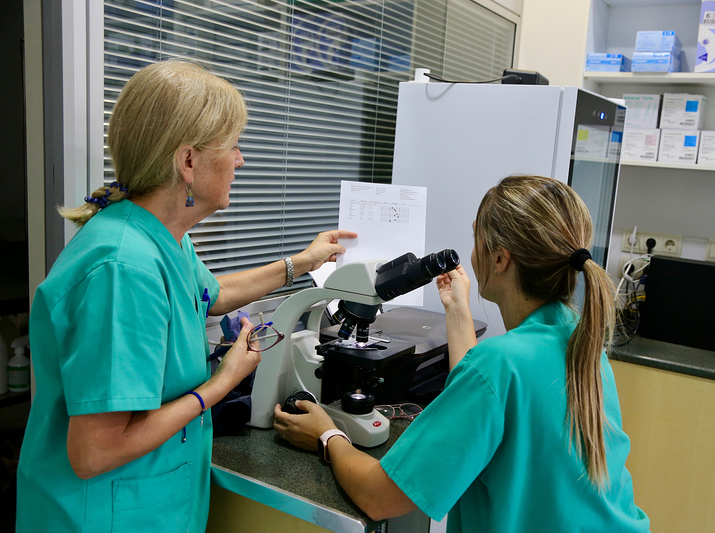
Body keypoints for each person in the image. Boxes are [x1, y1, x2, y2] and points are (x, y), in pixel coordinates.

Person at [16, 60, 355, 533]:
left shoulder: (161, 234)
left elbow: (210, 295)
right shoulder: (122, 269)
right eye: (234, 146)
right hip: (101, 515)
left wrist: (302, 261)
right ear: (189, 161)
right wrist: (222, 381)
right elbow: (95, 452)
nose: (241, 160)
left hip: (150, 503)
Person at [275, 175, 650, 532]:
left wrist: (327, 436)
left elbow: (379, 496)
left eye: (477, 239)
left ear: (500, 259)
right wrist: (457, 309)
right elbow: (485, 390)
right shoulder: (576, 336)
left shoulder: (500, 365)